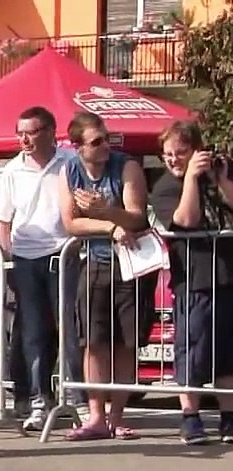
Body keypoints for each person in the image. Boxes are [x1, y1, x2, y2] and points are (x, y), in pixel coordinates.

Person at [59, 111, 153, 441]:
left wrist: (106, 211)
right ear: (78, 146)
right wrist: (108, 225)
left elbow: (137, 216)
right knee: (93, 343)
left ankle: (117, 417)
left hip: (130, 265)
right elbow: (70, 222)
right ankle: (95, 417)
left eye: (107, 138)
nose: (105, 146)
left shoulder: (126, 166)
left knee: (126, 344)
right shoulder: (69, 169)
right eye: (96, 141)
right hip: (93, 262)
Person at [0, 106, 80, 431]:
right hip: (27, 257)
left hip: (64, 252)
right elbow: (3, 219)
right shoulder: (13, 170)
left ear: (50, 132)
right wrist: (9, 260)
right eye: (20, 133)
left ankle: (77, 398)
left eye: (30, 132)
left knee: (69, 327)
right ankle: (38, 399)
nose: (24, 139)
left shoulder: (69, 163)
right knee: (33, 331)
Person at [149, 120, 233, 444]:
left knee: (227, 354)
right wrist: (190, 181)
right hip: (194, 279)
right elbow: (186, 220)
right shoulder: (166, 186)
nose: (173, 160)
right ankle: (190, 416)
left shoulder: (219, 172)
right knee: (192, 351)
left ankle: (228, 417)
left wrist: (222, 180)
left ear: (197, 149)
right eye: (167, 154)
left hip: (227, 275)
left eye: (180, 153)